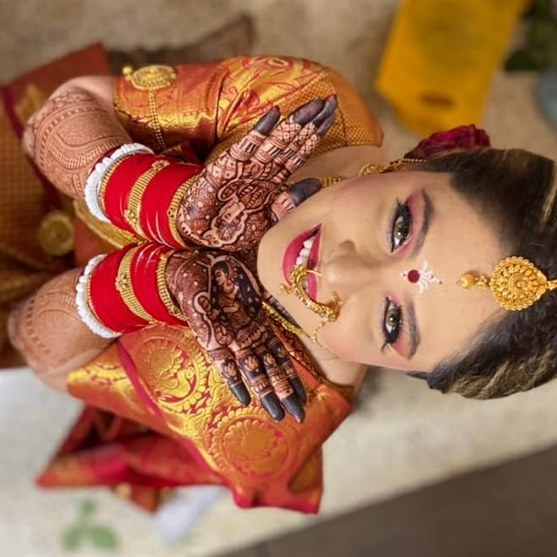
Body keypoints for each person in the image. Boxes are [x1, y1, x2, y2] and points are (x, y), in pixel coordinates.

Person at [3, 46, 556, 512]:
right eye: (400, 226)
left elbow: (28, 341)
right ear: (423, 161)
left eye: (392, 322)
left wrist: (148, 283)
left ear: (403, 369)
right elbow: (61, 111)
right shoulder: (306, 108)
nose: (336, 271)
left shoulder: (266, 416)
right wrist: (155, 199)